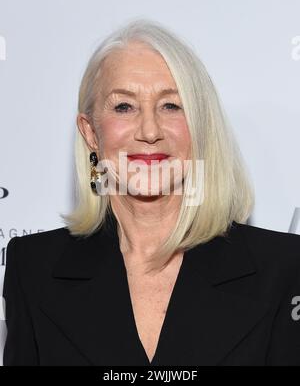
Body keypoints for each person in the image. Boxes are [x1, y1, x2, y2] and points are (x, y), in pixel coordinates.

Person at [3, 19, 300, 366]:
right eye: (124, 107)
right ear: (91, 133)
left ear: (200, 126)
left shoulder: (285, 266)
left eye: (171, 106)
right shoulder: (34, 267)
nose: (149, 130)